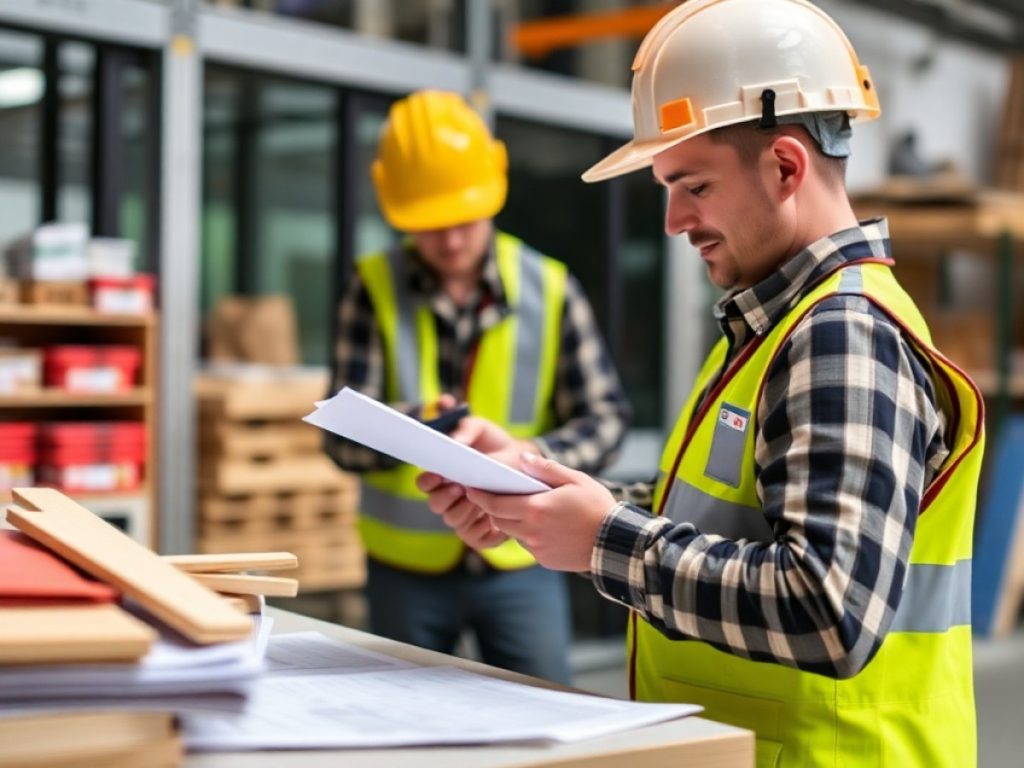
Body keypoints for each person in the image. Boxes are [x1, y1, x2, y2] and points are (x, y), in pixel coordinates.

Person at [418, 1, 985, 765]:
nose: (674, 220)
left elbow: (828, 611)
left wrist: (604, 543)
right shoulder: (774, 326)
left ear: (785, 166)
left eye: (694, 186)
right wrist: (534, 493)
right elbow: (722, 528)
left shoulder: (841, 335)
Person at [325, 89, 631, 685]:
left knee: (545, 723)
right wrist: (425, 425)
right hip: (404, 568)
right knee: (400, 734)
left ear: (493, 191)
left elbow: (607, 418)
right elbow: (341, 441)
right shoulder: (371, 287)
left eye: (463, 218)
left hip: (524, 558)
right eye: (430, 224)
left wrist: (528, 461)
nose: (451, 240)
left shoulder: (550, 287)